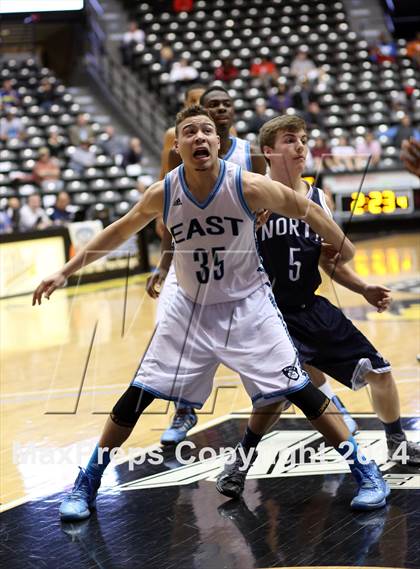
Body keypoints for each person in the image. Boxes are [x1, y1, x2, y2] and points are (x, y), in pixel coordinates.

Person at [33, 105, 388, 522]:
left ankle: (366, 472)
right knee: (139, 393)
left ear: (218, 142)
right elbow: (119, 230)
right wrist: (64, 271)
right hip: (190, 308)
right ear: (178, 144)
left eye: (206, 131)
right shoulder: (164, 191)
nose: (199, 137)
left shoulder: (247, 185)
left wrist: (343, 246)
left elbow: (306, 208)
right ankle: (88, 481)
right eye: (190, 132)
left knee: (301, 390)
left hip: (247, 304)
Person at [216, 115, 420, 500]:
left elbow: (330, 261)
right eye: (291, 140)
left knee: (381, 371)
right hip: (270, 314)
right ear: (269, 151)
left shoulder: (316, 199)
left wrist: (362, 288)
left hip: (311, 307)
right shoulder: (251, 196)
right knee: (276, 396)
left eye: (304, 139)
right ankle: (239, 465)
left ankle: (397, 444)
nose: (301, 146)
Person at [153, 85, 267, 445]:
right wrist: (163, 260)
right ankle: (184, 409)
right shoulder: (183, 155)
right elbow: (171, 212)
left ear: (232, 113)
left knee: (264, 343)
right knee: (177, 336)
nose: (218, 110)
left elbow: (277, 204)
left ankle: (278, 403)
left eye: (224, 104)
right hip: (193, 264)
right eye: (210, 106)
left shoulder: (251, 155)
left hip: (243, 267)